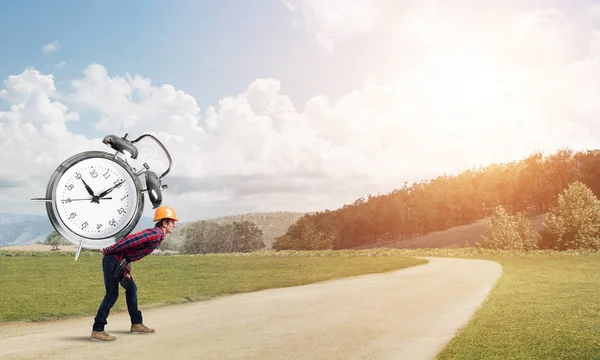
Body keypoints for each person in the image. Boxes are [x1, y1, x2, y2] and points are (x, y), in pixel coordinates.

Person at [90, 205, 179, 342]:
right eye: (173, 222)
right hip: (112, 259)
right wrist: (109, 249)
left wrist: (126, 263)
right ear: (165, 223)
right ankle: (97, 330)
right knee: (112, 294)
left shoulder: (158, 235)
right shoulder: (155, 234)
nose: (174, 225)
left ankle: (136, 324)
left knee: (132, 288)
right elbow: (131, 240)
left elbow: (132, 248)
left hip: (120, 262)